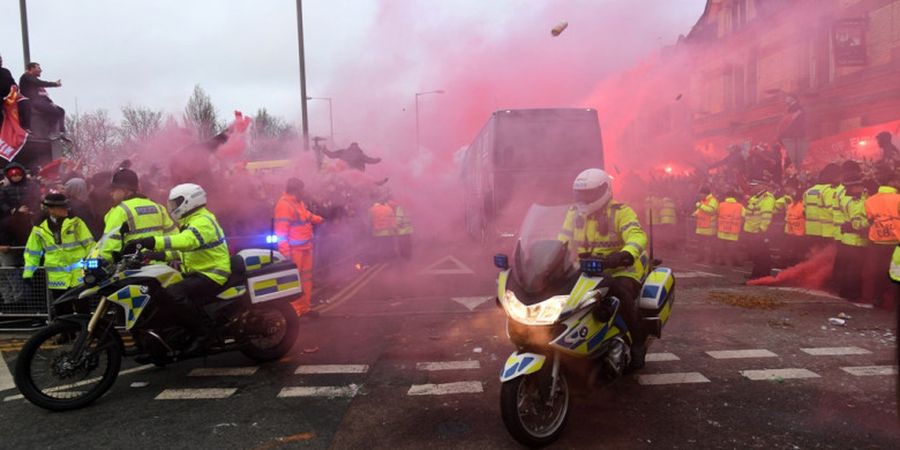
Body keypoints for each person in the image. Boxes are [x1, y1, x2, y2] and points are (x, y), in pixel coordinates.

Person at [123, 183, 230, 356]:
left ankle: (204, 334)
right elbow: (182, 251)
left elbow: (186, 241)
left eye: (175, 203)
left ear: (189, 201)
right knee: (158, 294)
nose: (172, 207)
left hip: (212, 273)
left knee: (175, 293)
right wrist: (153, 255)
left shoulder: (203, 221)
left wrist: (151, 241)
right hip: (196, 272)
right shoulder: (190, 221)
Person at [557, 168, 649, 368]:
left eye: (589, 194)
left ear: (603, 191)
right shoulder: (574, 213)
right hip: (586, 270)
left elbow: (637, 235)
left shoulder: (621, 212)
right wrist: (551, 257)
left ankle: (638, 344)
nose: (584, 198)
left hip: (620, 270)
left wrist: (625, 254)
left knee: (621, 294)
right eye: (580, 194)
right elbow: (562, 240)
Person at [22, 193, 94, 300]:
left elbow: (90, 245)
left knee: (82, 309)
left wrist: (93, 265)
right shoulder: (39, 228)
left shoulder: (76, 222)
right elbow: (32, 252)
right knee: (61, 310)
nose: (66, 209)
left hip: (79, 275)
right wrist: (28, 273)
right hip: (57, 279)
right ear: (50, 209)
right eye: (62, 207)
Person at [100, 168, 177, 262]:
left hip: (132, 271)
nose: (111, 193)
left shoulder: (119, 211)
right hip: (162, 271)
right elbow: (174, 240)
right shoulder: (158, 207)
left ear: (125, 190)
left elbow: (108, 251)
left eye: (114, 189)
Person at [273, 178, 324, 317]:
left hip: (305, 247)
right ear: (296, 190)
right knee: (294, 281)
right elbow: (281, 232)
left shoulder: (298, 203)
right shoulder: (284, 205)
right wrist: (285, 254)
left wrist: (319, 219)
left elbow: (307, 215)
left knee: (306, 279)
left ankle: (304, 308)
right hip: (294, 250)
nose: (304, 192)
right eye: (302, 189)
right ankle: (294, 311)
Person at [0, 163, 40, 304]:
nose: (16, 177)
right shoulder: (4, 191)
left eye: (18, 174)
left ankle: (27, 299)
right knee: (10, 271)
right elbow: (3, 206)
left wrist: (31, 210)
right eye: (13, 175)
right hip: (12, 236)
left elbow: (37, 199)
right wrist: (15, 211)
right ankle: (17, 301)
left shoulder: (31, 187)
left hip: (28, 230)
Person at [864, 165, 900, 308]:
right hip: (896, 242)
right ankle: (895, 301)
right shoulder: (898, 199)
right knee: (896, 274)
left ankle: (877, 299)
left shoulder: (870, 200)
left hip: (876, 241)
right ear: (891, 182)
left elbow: (868, 219)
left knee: (879, 271)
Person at [834, 166, 868, 302]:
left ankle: (845, 291)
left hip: (847, 240)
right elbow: (857, 223)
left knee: (848, 268)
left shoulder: (847, 198)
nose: (862, 187)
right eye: (860, 185)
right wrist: (870, 223)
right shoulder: (855, 202)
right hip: (856, 241)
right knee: (855, 270)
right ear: (854, 186)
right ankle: (853, 294)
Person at [18, 62, 66, 140]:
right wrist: (55, 84)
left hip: (40, 101)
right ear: (32, 68)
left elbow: (42, 94)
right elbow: (39, 83)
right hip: (32, 102)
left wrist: (50, 102)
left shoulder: (34, 80)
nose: (41, 70)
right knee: (54, 111)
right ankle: (51, 132)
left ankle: (61, 132)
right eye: (38, 68)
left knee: (61, 111)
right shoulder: (26, 76)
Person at [743, 179, 776, 279]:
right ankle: (757, 274)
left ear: (762, 186)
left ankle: (762, 274)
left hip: (759, 231)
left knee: (762, 255)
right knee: (756, 255)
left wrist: (762, 230)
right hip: (752, 230)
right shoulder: (756, 197)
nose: (751, 188)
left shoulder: (767, 198)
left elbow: (766, 215)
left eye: (754, 186)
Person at [714, 190, 745, 267]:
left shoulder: (721, 205)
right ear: (735, 197)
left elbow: (716, 214)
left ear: (726, 196)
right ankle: (735, 262)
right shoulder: (740, 206)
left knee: (722, 247)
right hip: (734, 230)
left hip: (722, 229)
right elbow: (744, 216)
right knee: (733, 248)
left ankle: (721, 261)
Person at [692, 186, 718, 263]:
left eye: (701, 194)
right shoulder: (703, 200)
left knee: (711, 245)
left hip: (709, 228)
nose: (700, 195)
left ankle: (712, 259)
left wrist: (700, 206)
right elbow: (700, 210)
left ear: (705, 194)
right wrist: (694, 214)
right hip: (701, 227)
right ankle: (700, 258)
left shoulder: (713, 200)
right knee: (700, 245)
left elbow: (711, 210)